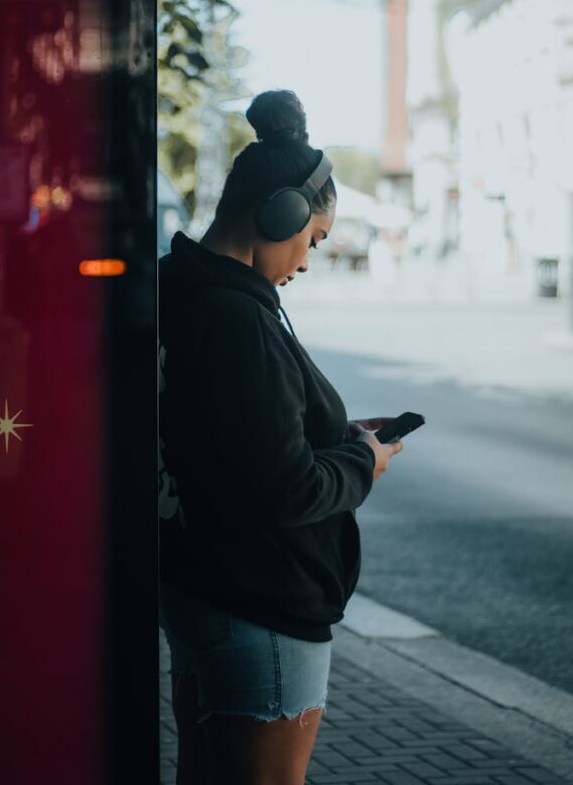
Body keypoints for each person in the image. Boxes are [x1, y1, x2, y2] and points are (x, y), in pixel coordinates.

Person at [158, 89, 404, 785]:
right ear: (282, 214)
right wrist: (363, 460)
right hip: (259, 602)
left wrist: (333, 433)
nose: (306, 259)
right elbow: (283, 487)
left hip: (201, 584)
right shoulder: (236, 319)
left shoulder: (175, 289)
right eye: (313, 239)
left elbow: (227, 435)